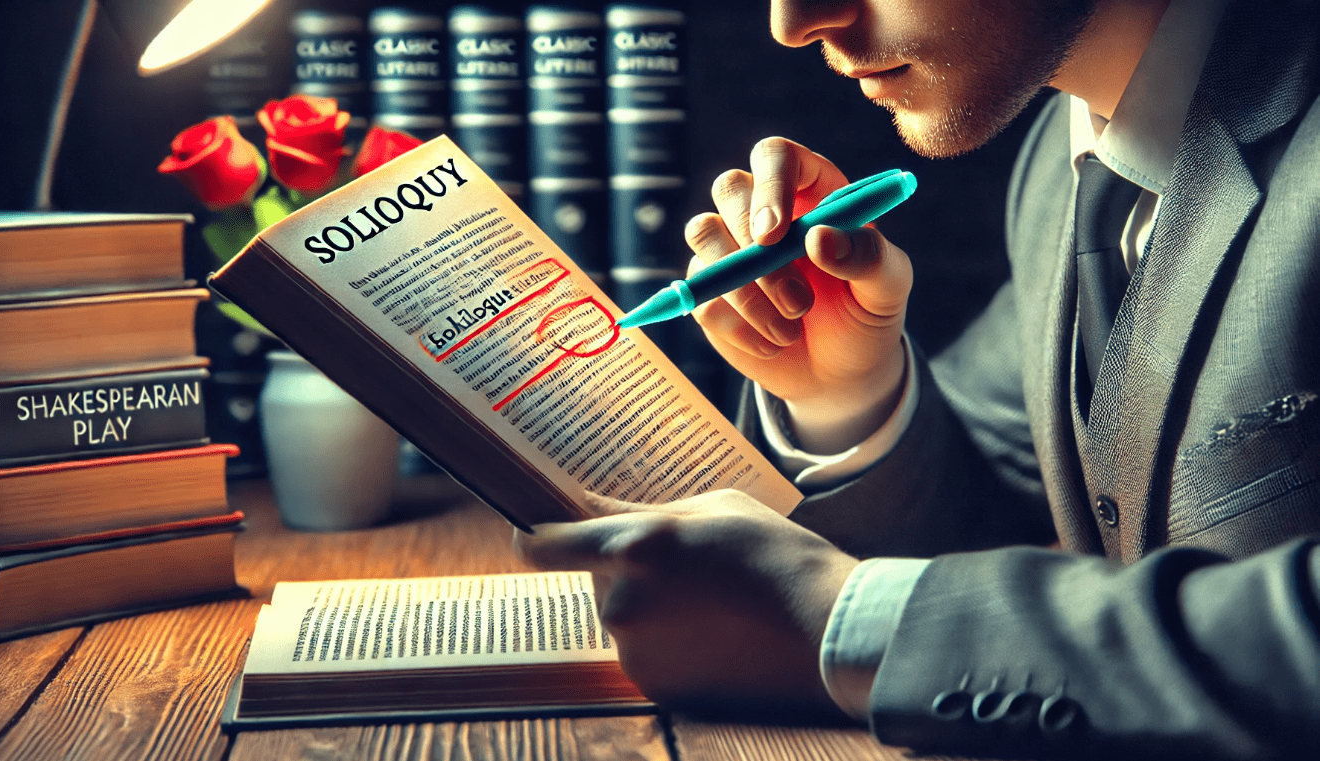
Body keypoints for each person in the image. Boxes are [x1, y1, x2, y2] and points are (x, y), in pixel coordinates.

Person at [517, 0, 1320, 757]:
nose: (795, 22)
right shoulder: (1069, 148)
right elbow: (1001, 480)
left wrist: (855, 621)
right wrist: (847, 393)